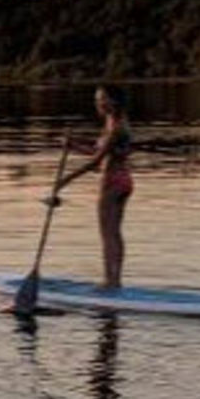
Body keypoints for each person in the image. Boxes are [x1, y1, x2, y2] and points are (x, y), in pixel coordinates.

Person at [55, 85, 134, 289]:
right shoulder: (113, 123)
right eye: (97, 99)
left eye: (101, 99)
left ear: (112, 102)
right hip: (124, 181)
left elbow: (95, 163)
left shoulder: (117, 127)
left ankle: (111, 282)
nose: (97, 103)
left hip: (112, 182)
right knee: (115, 232)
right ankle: (115, 280)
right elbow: (95, 152)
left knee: (108, 234)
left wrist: (65, 180)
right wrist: (73, 145)